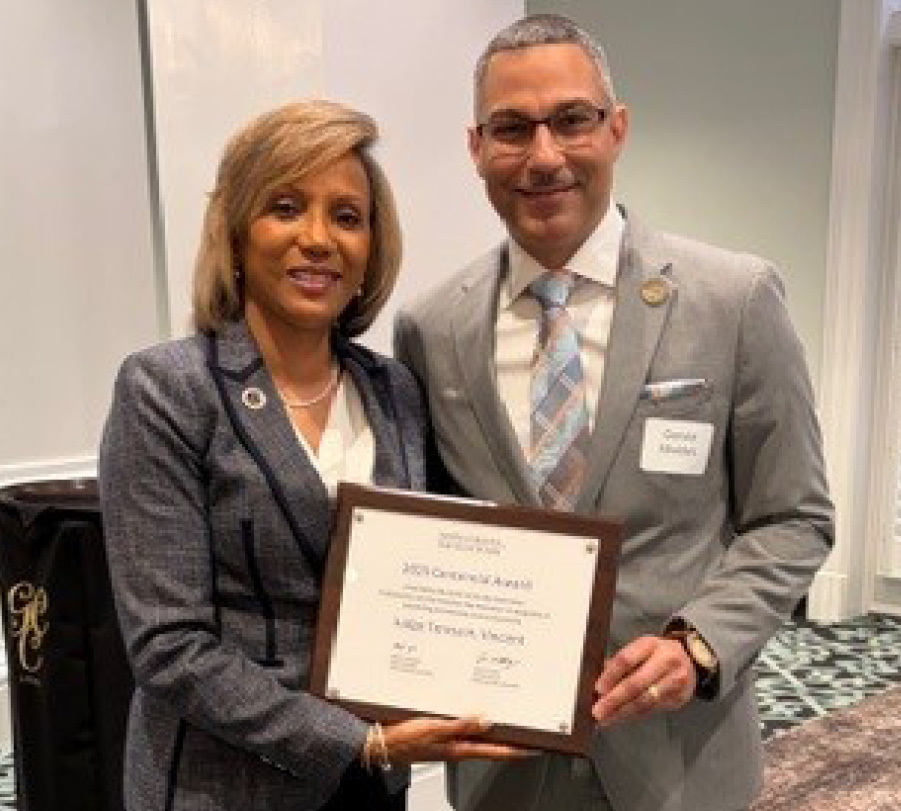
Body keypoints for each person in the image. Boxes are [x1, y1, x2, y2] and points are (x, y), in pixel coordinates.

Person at [394, 14, 833, 811]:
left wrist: (698, 643)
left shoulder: (732, 300)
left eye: (571, 120)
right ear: (476, 147)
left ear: (616, 128)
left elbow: (793, 517)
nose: (543, 156)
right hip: (504, 763)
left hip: (677, 760)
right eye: (511, 129)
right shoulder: (431, 328)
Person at [98, 100, 521, 811]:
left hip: (372, 786)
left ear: (371, 246)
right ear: (236, 232)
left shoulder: (394, 389)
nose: (319, 239)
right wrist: (358, 741)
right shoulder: (167, 388)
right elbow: (169, 646)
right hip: (224, 789)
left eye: (347, 217)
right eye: (286, 208)